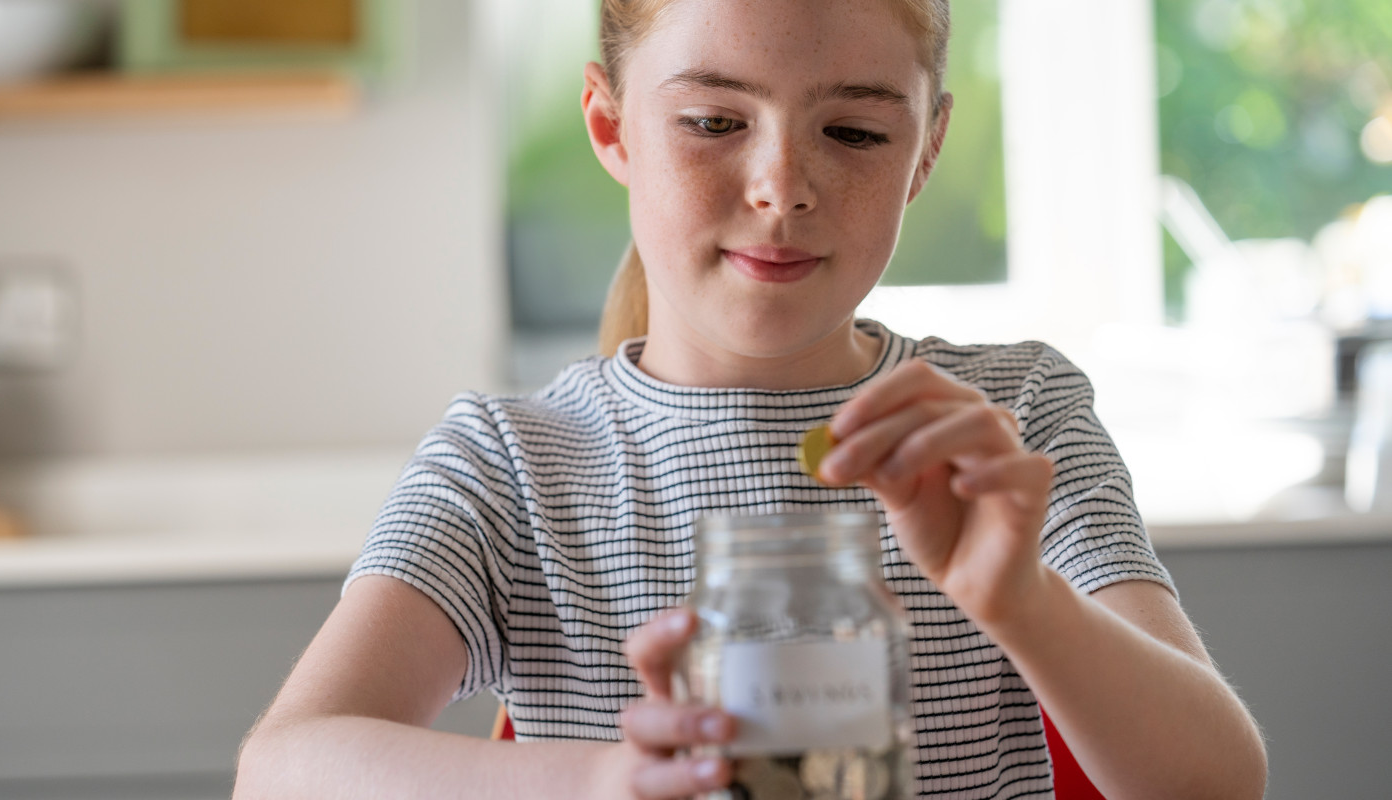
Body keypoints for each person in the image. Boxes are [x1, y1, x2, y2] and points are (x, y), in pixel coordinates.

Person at [233, 0, 1268, 797]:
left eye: (854, 132)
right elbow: (283, 767)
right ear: (611, 125)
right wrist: (601, 778)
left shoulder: (1014, 415)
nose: (781, 184)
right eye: (714, 120)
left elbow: (1216, 780)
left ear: (925, 151)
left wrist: (1019, 600)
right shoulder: (513, 462)